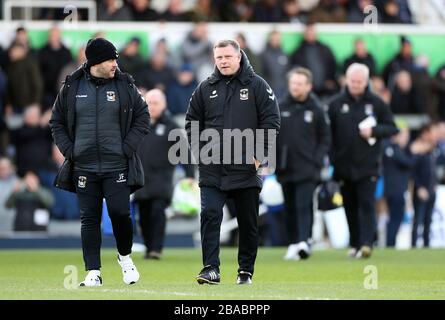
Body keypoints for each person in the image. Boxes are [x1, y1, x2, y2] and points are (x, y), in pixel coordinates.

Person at [49, 38, 149, 287]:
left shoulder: (125, 84)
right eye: (110, 59)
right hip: (84, 166)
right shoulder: (72, 86)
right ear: (95, 62)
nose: (116, 63)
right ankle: (93, 271)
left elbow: (143, 116)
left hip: (117, 165)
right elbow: (56, 121)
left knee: (120, 213)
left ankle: (125, 257)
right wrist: (69, 150)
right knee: (89, 219)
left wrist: (127, 147)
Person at [185, 39, 280, 285]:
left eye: (228, 56)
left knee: (248, 222)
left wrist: (258, 155)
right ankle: (210, 269)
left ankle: (245, 271)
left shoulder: (258, 85)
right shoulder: (205, 87)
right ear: (214, 59)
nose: (223, 61)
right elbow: (191, 122)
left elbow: (271, 121)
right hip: (212, 168)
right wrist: (200, 153)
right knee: (210, 214)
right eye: (219, 57)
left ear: (239, 57)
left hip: (246, 169)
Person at [328, 63, 398, 258]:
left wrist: (374, 131)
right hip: (343, 166)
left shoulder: (377, 103)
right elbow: (328, 135)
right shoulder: (335, 104)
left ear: (366, 81)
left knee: (367, 204)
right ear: (346, 80)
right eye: (353, 81)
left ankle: (367, 243)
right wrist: (332, 159)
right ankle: (355, 243)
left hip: (368, 165)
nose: (356, 84)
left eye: (360, 81)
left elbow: (392, 128)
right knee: (349, 205)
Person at [276, 67, 331, 260]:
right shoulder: (281, 106)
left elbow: (325, 138)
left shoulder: (316, 108)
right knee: (289, 207)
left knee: (304, 205)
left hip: (307, 167)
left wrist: (317, 159)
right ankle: (293, 243)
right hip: (285, 166)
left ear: (309, 86)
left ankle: (304, 241)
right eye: (293, 83)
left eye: (299, 84)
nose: (295, 87)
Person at [134, 89, 194, 260]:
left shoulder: (171, 127)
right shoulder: (137, 125)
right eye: (149, 103)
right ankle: (148, 246)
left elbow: (184, 152)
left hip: (162, 179)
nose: (151, 107)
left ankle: (156, 249)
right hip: (140, 179)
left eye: (155, 103)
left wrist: (189, 175)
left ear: (164, 105)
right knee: (144, 216)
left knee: (157, 212)